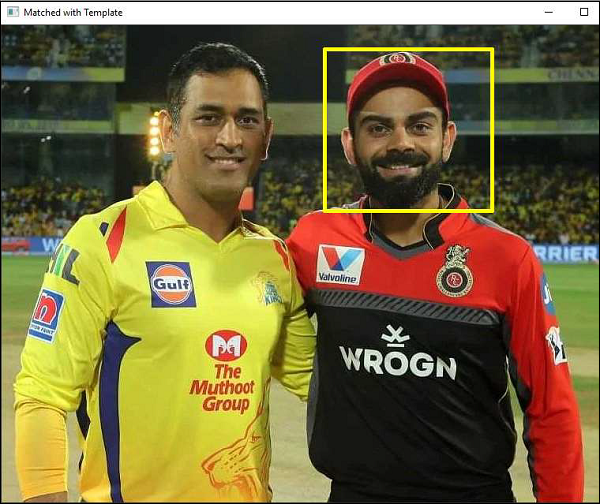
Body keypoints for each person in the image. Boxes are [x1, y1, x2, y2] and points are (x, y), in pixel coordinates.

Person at [14, 42, 315, 503]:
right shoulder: (103, 240)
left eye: (247, 120)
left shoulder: (273, 256)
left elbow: (321, 384)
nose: (230, 138)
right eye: (208, 117)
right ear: (169, 131)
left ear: (267, 136)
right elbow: (42, 394)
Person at [286, 52, 583, 502]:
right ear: (349, 144)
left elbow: (551, 409)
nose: (400, 143)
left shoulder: (507, 258)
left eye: (420, 126)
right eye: (378, 128)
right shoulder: (314, 240)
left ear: (447, 139)